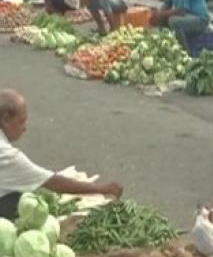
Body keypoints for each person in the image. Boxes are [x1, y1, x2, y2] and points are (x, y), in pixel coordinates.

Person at [0, 89, 123, 219]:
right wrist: (102, 189)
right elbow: (53, 182)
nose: (24, 128)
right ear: (6, 119)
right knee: (18, 199)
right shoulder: (8, 156)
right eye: (22, 121)